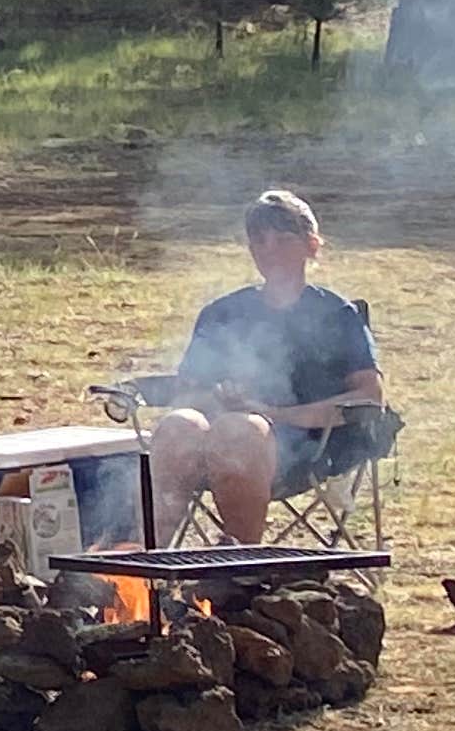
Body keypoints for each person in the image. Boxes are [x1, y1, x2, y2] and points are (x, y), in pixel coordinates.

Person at [138, 190, 384, 544]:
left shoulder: (337, 316)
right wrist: (218, 398)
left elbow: (370, 397)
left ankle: (239, 567)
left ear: (312, 246)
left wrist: (274, 414)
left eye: (284, 240)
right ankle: (146, 567)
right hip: (217, 439)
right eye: (260, 240)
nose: (270, 251)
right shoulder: (222, 313)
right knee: (179, 424)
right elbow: (187, 392)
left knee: (241, 431)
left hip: (309, 448)